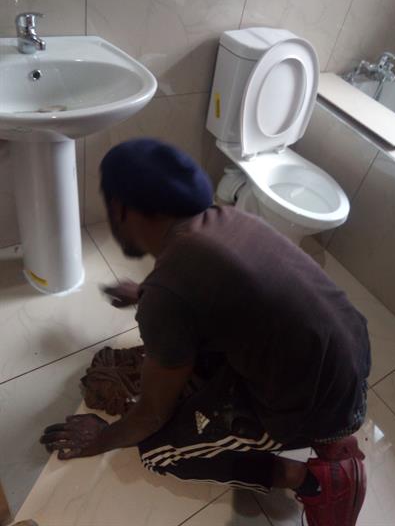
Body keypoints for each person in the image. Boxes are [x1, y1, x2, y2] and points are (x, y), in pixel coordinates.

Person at [41, 138, 371, 526]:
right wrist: (147, 293)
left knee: (157, 451)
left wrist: (102, 437)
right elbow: (210, 288)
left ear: (123, 209)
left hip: (313, 407)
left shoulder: (168, 295)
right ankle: (331, 436)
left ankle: (315, 480)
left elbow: (150, 415)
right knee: (200, 361)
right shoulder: (225, 220)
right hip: (347, 358)